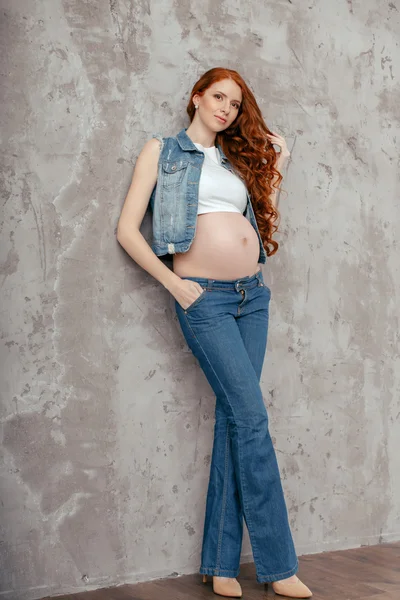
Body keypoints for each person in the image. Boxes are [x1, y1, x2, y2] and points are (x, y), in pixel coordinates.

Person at [117, 67, 312, 599]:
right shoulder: (162, 151)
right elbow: (127, 230)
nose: (226, 109)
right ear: (197, 97)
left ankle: (221, 565)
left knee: (235, 420)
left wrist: (280, 167)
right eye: (218, 97)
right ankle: (277, 566)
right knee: (251, 419)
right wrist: (173, 285)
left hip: (253, 299)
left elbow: (261, 218)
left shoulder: (233, 160)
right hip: (202, 298)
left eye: (235, 103)